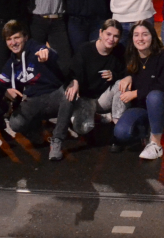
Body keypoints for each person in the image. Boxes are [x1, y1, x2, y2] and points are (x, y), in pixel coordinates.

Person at [50, 19, 126, 161]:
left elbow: (126, 71)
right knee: (83, 128)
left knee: (122, 84)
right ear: (100, 33)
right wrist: (75, 81)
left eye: (116, 36)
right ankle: (88, 116)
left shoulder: (119, 51)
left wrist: (115, 75)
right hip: (86, 98)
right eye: (108, 34)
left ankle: (118, 132)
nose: (111, 39)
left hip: (103, 98)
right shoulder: (85, 49)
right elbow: (72, 71)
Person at [112, 21, 164, 160]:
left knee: (154, 96)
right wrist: (128, 76)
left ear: (152, 36)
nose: (140, 39)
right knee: (121, 132)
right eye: (136, 35)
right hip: (142, 108)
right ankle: (147, 131)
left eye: (144, 34)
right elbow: (127, 73)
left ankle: (156, 144)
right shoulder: (132, 57)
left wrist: (136, 93)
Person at [0, 20, 64, 149]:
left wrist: (46, 53)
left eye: (16, 37)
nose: (13, 42)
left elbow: (50, 53)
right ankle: (36, 130)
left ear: (25, 37)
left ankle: (62, 134)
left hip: (54, 96)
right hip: (34, 101)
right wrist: (6, 91)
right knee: (15, 123)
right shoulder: (11, 64)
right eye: (9, 39)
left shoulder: (35, 48)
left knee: (69, 93)